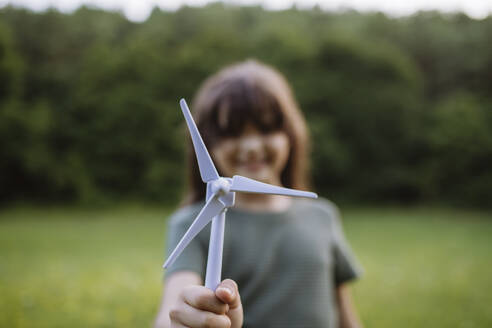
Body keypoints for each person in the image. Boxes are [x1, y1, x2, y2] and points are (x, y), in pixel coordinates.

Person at [154, 60, 363, 328]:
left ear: (291, 134)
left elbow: (345, 313)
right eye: (232, 133)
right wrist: (185, 317)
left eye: (266, 129)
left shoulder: (322, 215)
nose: (251, 146)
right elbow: (174, 304)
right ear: (206, 144)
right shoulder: (192, 224)